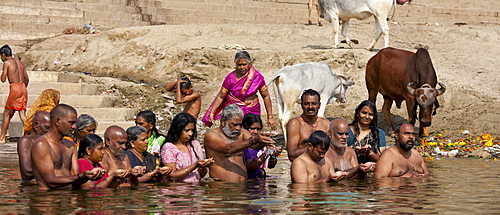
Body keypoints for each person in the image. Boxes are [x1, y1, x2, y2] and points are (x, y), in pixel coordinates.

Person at [31, 104, 105, 190]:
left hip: (68, 198)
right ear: (58, 121)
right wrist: (82, 176)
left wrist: (89, 175)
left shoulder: (70, 145)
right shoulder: (41, 145)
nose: (74, 127)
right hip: (48, 199)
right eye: (71, 122)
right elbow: (50, 181)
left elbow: (75, 180)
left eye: (75, 123)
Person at [202, 51, 278, 129]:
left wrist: (270, 116)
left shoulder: (257, 77)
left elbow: (266, 96)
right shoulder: (230, 78)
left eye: (244, 64)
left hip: (252, 109)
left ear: (249, 63)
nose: (241, 67)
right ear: (236, 64)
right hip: (234, 110)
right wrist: (211, 113)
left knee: (252, 131)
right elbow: (221, 96)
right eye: (239, 65)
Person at [204, 104, 275, 182]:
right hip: (221, 187)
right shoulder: (211, 135)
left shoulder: (241, 133)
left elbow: (255, 146)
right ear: (224, 121)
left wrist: (264, 141)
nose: (238, 128)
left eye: (240, 125)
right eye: (235, 125)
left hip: (242, 188)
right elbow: (228, 149)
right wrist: (253, 140)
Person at [161, 113, 213, 182]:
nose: (190, 134)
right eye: (187, 130)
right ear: (178, 129)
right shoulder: (168, 147)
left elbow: (201, 174)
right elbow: (172, 176)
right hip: (176, 190)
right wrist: (195, 165)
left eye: (192, 130)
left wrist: (203, 166)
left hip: (194, 189)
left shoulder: (194, 144)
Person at [286, 89, 330, 162]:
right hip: (303, 166)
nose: (310, 107)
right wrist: (314, 147)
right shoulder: (295, 124)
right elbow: (292, 155)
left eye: (314, 103)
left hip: (323, 166)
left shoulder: (326, 123)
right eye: (306, 104)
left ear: (319, 105)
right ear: (302, 105)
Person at [0, 45, 29, 143]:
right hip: (23, 87)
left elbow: (3, 79)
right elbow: (26, 78)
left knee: (6, 114)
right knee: (22, 113)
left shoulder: (7, 63)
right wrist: (23, 87)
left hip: (14, 87)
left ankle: (2, 138)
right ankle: (29, 135)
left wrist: (4, 73)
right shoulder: (20, 63)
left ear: (3, 55)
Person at [242, 113, 280, 179]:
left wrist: (273, 155)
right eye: (252, 129)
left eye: (258, 129)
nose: (256, 132)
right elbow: (249, 167)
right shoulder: (242, 145)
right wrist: (265, 154)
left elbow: (270, 166)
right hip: (248, 181)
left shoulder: (260, 143)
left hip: (259, 179)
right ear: (244, 128)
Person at [17, 111, 50, 184]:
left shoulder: (48, 142)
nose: (50, 131)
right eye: (47, 127)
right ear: (36, 125)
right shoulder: (26, 141)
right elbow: (27, 171)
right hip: (31, 188)